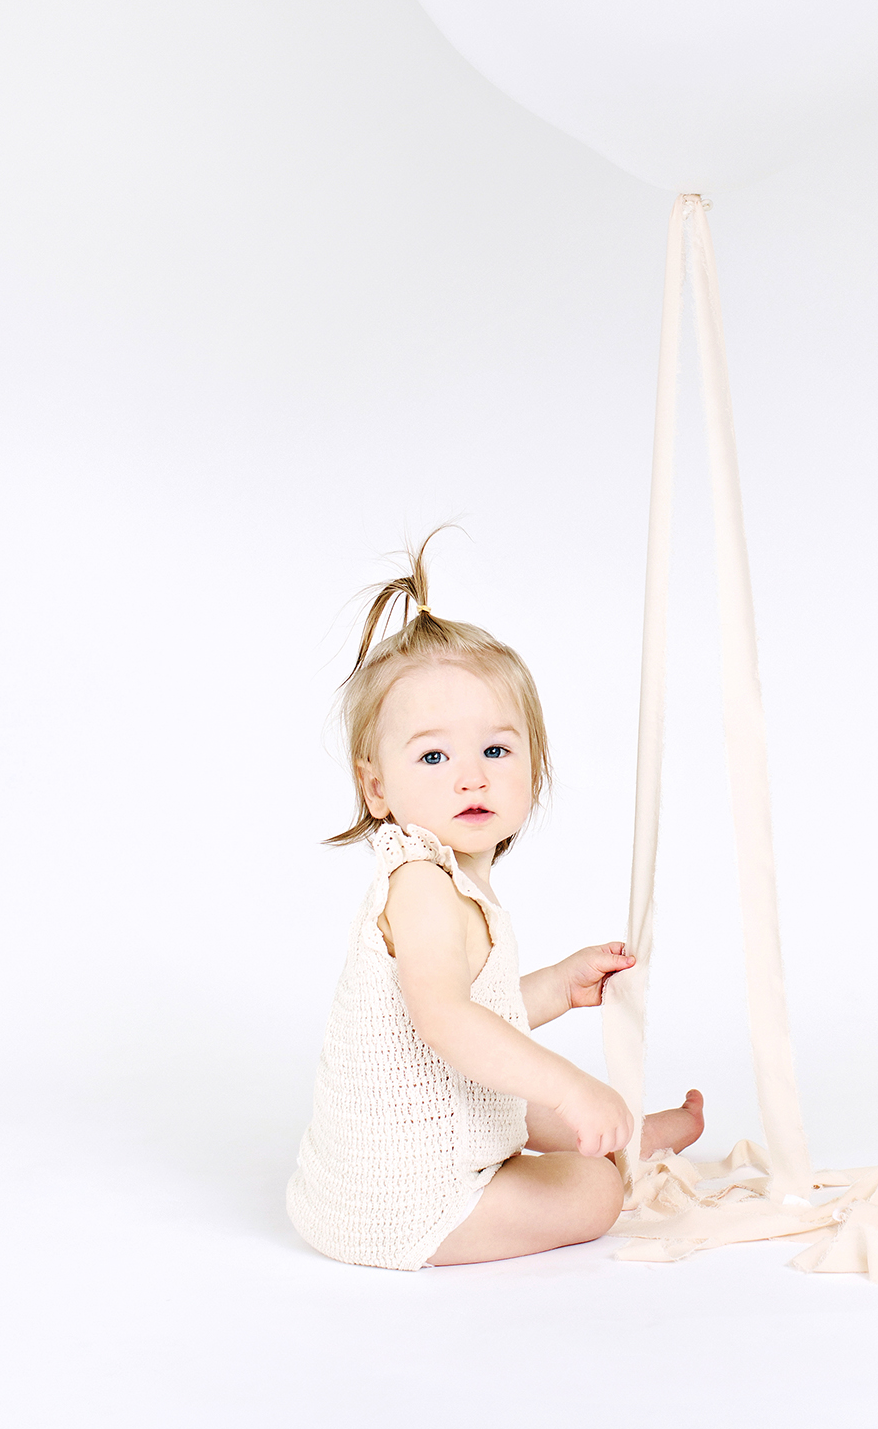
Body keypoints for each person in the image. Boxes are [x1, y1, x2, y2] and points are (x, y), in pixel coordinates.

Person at [287, 541, 704, 1270]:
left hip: (403, 1169)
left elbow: (479, 1006)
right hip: (401, 1206)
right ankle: (610, 1141)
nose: (470, 779)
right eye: (434, 757)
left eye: (497, 751)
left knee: (517, 1082)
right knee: (590, 1188)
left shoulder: (452, 880)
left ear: (533, 765)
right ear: (376, 786)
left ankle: (622, 1128)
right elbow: (445, 1020)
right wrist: (572, 1087)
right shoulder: (419, 884)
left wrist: (556, 987)